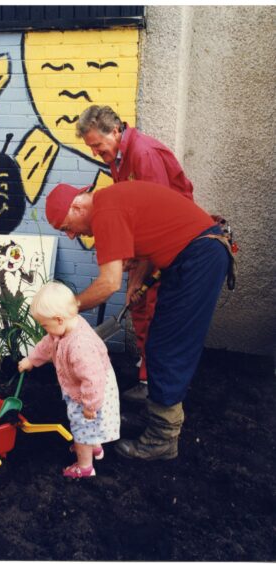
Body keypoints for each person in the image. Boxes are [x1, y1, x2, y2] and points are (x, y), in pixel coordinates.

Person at [45, 180, 234, 461]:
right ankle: (156, 415)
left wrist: (69, 308)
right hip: (193, 255)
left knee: (168, 348)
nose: (71, 236)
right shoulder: (112, 202)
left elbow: (108, 283)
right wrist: (136, 280)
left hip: (199, 258)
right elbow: (151, 238)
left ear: (77, 205)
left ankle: (162, 439)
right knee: (159, 342)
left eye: (66, 227)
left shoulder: (104, 214)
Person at [76, 105, 194, 402]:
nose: (94, 152)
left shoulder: (143, 154)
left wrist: (139, 268)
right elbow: (133, 210)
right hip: (153, 238)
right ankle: (148, 370)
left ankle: (150, 382)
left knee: (148, 304)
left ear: (114, 131)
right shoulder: (118, 156)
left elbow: (158, 214)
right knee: (140, 304)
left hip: (173, 241)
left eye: (96, 145)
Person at [18, 281, 120, 478]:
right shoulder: (64, 328)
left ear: (58, 319)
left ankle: (85, 467)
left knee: (81, 427)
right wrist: (32, 360)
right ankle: (95, 447)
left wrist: (90, 405)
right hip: (84, 388)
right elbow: (48, 345)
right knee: (90, 425)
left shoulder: (79, 346)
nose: (45, 330)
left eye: (45, 325)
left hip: (92, 393)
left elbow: (93, 378)